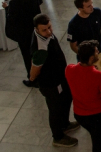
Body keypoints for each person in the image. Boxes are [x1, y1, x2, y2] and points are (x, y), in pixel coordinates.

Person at [30, 14, 80, 148]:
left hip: (61, 77)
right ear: (36, 29)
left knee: (67, 98)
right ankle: (58, 137)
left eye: (49, 27)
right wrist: (32, 78)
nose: (49, 31)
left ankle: (65, 124)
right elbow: (35, 69)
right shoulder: (41, 48)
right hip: (51, 84)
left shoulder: (46, 35)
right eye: (44, 30)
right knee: (55, 109)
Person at [65, 40, 101, 152]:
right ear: (91, 58)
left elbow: (82, 77)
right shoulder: (99, 76)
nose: (98, 52)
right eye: (96, 52)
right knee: (100, 146)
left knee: (94, 136)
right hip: (96, 117)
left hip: (79, 114)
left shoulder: (69, 69)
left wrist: (91, 68)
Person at [2, 0, 41, 84]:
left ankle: (32, 78)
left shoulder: (15, 1)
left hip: (24, 34)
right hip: (34, 29)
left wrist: (7, 8)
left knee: (27, 56)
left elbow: (12, 18)